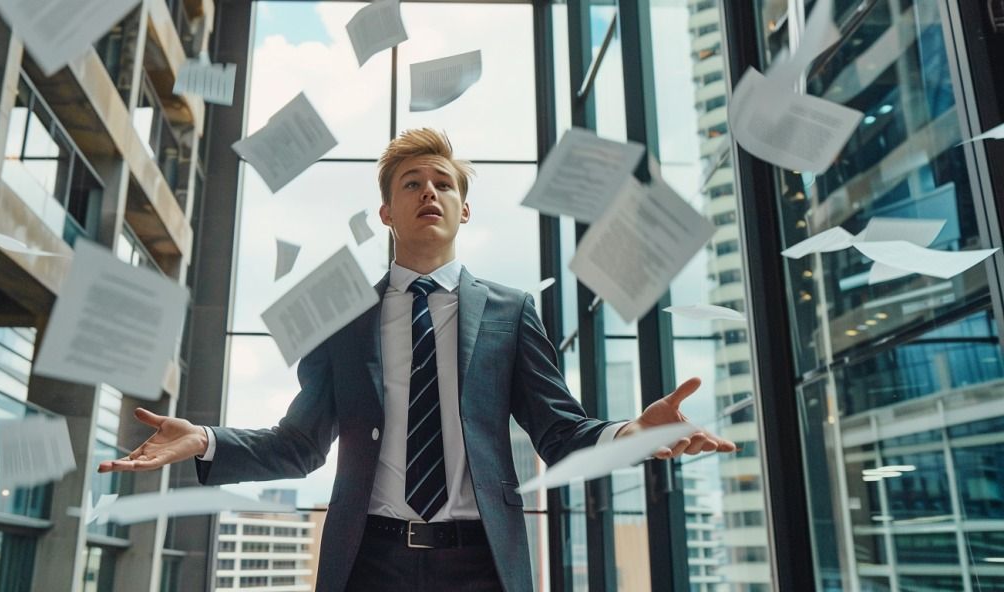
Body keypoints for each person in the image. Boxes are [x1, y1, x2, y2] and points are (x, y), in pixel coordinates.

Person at [99, 128, 737, 591]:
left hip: (482, 561)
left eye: (444, 184)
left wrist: (630, 433)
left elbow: (561, 431)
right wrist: (206, 439)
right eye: (412, 183)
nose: (429, 192)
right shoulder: (344, 316)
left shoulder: (512, 312)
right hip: (370, 561)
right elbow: (301, 444)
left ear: (464, 208)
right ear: (387, 212)